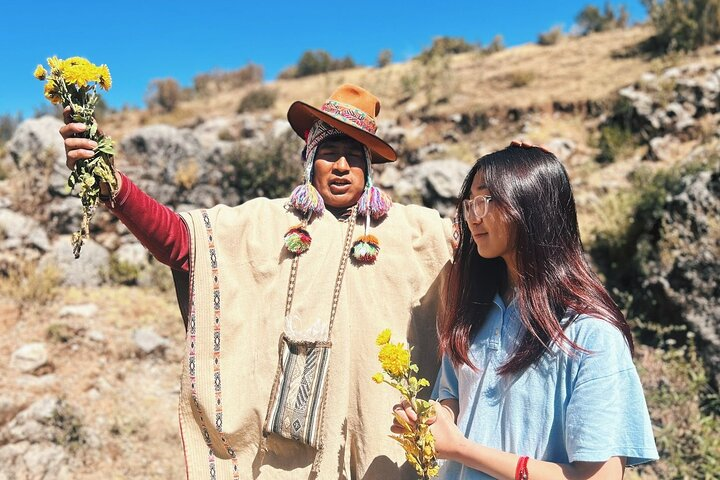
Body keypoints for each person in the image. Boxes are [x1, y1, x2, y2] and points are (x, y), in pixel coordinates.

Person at [61, 84, 454, 479]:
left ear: (368, 170)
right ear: (309, 159)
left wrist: (515, 172)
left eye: (354, 157)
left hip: (380, 446)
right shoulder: (264, 223)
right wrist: (112, 185)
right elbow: (182, 244)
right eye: (329, 154)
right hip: (288, 452)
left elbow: (484, 244)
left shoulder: (413, 231)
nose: (341, 167)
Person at [392, 142, 658, 479]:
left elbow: (600, 477)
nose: (473, 216)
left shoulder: (588, 334)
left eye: (486, 200)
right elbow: (451, 403)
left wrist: (460, 448)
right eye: (469, 203)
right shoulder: (474, 315)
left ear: (531, 204)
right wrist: (428, 420)